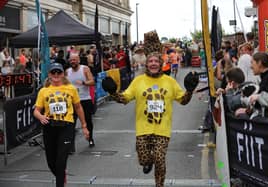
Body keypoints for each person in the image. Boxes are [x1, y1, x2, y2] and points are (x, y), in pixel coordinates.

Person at [102, 52, 199, 187]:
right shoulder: (138, 81)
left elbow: (183, 100)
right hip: (143, 128)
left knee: (159, 159)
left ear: (161, 64)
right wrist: (112, 92)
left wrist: (189, 90)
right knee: (144, 159)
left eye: (156, 61)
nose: (153, 63)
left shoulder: (170, 81)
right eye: (150, 61)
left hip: (162, 129)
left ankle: (159, 184)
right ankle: (147, 162)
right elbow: (124, 98)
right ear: (147, 64)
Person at [33, 63, 89, 187]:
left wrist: (84, 126)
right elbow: (36, 111)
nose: (56, 75)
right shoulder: (43, 91)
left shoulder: (70, 88)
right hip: (49, 127)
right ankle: (61, 174)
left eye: (59, 72)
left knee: (61, 160)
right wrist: (41, 116)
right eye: (54, 72)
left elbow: (78, 107)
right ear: (49, 75)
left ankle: (60, 182)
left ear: (63, 74)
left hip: (66, 126)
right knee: (51, 162)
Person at [66, 53, 95, 148]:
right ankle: (71, 146)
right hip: (72, 101)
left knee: (87, 121)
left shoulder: (85, 69)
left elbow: (92, 81)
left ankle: (90, 138)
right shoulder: (67, 71)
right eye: (71, 60)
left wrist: (83, 82)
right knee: (70, 123)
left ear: (78, 60)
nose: (72, 62)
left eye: (74, 60)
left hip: (84, 99)